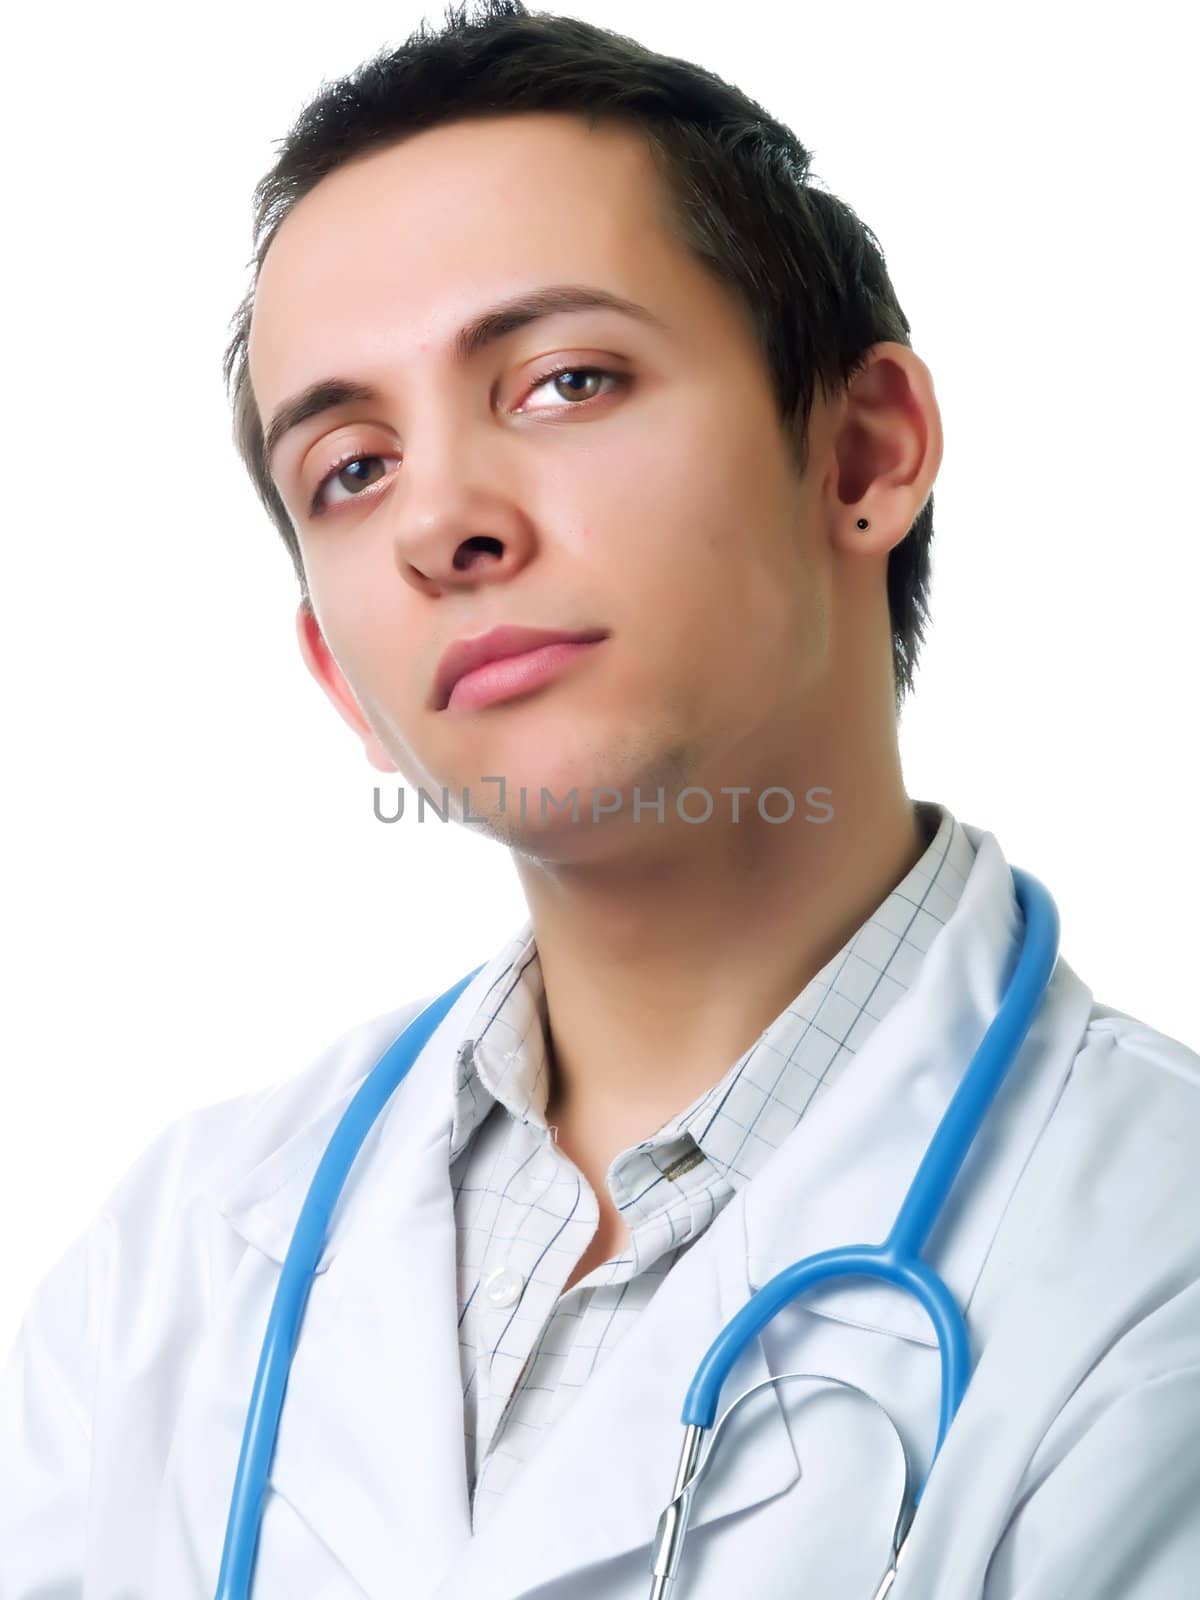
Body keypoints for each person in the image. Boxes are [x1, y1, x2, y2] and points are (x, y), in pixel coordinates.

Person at [3, 2, 1198, 1596]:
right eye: (349, 469)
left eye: (565, 380)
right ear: (337, 676)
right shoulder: (171, 1268)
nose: (442, 521)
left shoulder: (1150, 1264)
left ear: (863, 451)